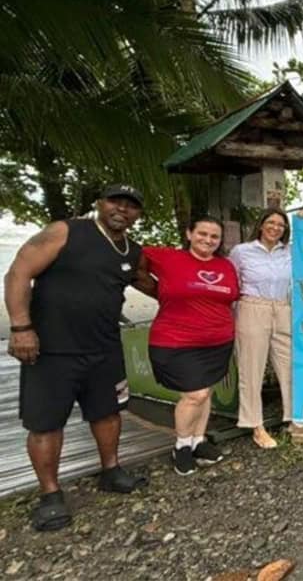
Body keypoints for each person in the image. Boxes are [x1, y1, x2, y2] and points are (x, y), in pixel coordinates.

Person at [5, 185, 152, 531]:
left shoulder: (132, 250)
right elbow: (18, 273)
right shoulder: (66, 231)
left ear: (137, 215)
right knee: (45, 422)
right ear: (100, 203)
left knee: (108, 412)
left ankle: (111, 470)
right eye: (116, 201)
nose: (122, 210)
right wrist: (20, 327)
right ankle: (50, 494)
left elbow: (149, 284)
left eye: (131, 206)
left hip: (104, 347)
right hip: (52, 348)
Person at [140, 215, 239, 476]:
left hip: (217, 341)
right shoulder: (167, 257)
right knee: (194, 394)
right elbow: (126, 258)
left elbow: (231, 297)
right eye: (202, 234)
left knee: (205, 392)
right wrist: (152, 288)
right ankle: (181, 446)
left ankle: (199, 441)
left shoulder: (225, 266)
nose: (208, 240)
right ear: (189, 234)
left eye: (214, 236)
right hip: (175, 341)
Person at [228, 208, 292, 449]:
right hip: (252, 308)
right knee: (251, 368)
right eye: (271, 222)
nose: (275, 228)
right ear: (261, 224)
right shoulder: (242, 251)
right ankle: (256, 425)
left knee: (289, 365)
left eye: (281, 225)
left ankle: (292, 417)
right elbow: (232, 283)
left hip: (283, 308)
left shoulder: (289, 252)